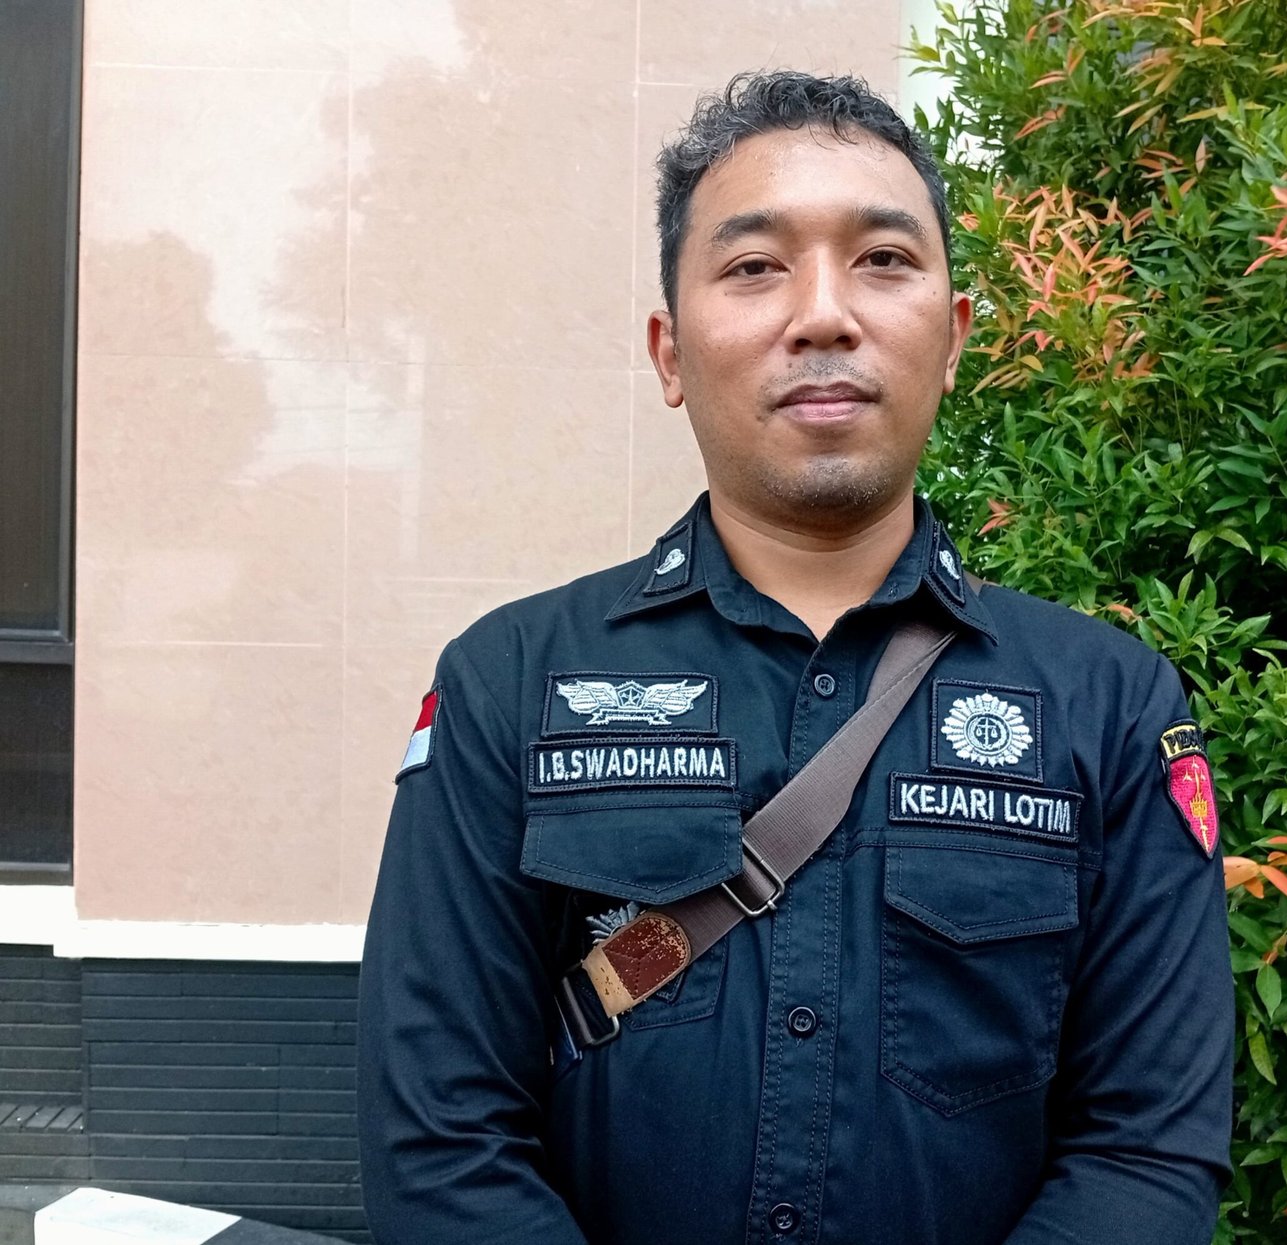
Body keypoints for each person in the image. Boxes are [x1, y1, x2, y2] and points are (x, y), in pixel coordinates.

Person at [356, 71, 1233, 1245]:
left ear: (954, 339)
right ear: (670, 353)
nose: (823, 314)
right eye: (755, 266)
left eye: (883, 259)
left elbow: (1146, 1149)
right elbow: (438, 1141)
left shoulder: (1108, 702)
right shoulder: (507, 683)